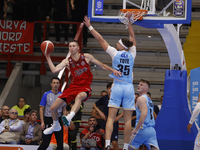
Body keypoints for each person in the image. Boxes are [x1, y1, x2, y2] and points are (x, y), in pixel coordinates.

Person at [43, 40, 121, 135]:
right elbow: (54, 70)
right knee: (52, 108)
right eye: (70, 46)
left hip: (85, 87)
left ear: (78, 48)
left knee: (79, 97)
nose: (72, 48)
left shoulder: (86, 57)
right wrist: (47, 56)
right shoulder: (67, 61)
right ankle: (55, 125)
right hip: (73, 87)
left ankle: (69, 117)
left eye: (73, 46)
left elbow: (102, 66)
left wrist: (113, 70)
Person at [84, 13, 136, 150]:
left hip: (118, 86)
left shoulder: (115, 52)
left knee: (111, 118)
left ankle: (107, 144)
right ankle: (125, 147)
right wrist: (129, 22)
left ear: (121, 46)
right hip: (129, 87)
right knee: (128, 120)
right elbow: (132, 37)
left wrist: (90, 27)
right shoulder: (132, 53)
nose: (116, 44)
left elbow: (101, 39)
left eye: (118, 42)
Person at [129, 79, 159, 150]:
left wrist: (136, 129)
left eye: (141, 85)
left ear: (146, 89)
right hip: (151, 130)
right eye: (139, 84)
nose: (139, 85)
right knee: (154, 148)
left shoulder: (141, 99)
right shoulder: (149, 99)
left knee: (129, 146)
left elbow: (144, 114)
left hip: (142, 128)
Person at [38, 77, 66, 150]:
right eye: (54, 83)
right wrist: (42, 122)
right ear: (51, 84)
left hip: (58, 120)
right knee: (45, 143)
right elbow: (41, 109)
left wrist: (65, 120)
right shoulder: (46, 94)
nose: (55, 85)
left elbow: (64, 108)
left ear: (59, 84)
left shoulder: (62, 95)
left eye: (57, 83)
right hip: (48, 119)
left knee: (60, 145)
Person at [93, 82, 123, 150]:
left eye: (112, 88)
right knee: (104, 142)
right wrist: (100, 113)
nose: (110, 90)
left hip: (114, 122)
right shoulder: (104, 98)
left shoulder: (118, 97)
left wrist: (120, 116)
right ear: (107, 89)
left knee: (114, 142)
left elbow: (127, 108)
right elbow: (94, 105)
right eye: (109, 88)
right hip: (105, 121)